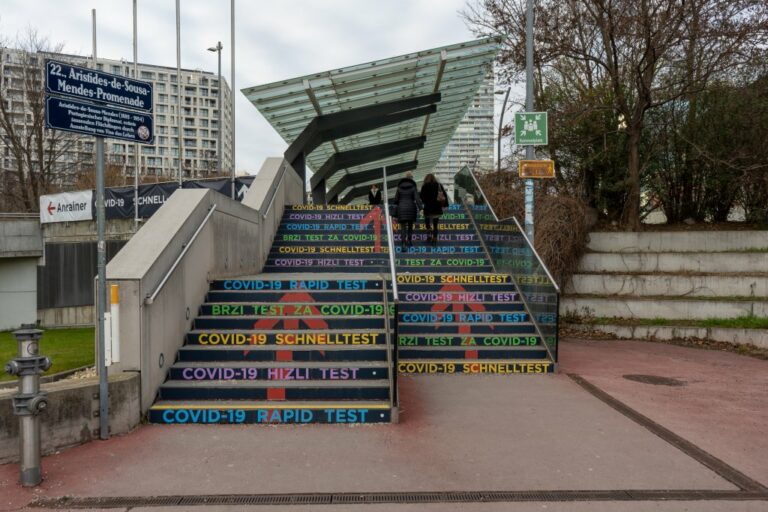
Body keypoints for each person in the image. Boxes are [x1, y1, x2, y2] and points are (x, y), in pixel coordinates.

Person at [394, 171, 421, 249]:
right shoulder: (413, 187)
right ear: (411, 178)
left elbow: (396, 200)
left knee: (403, 227)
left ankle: (403, 244)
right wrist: (421, 208)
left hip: (401, 208)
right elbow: (417, 198)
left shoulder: (399, 187)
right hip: (411, 207)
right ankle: (409, 241)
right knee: (410, 225)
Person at [420, 173, 447, 245]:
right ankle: (434, 240)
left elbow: (421, 197)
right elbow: (444, 195)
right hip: (436, 208)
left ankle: (429, 233)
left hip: (428, 208)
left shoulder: (424, 186)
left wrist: (426, 201)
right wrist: (445, 205)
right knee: (435, 225)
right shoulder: (438, 185)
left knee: (427, 221)